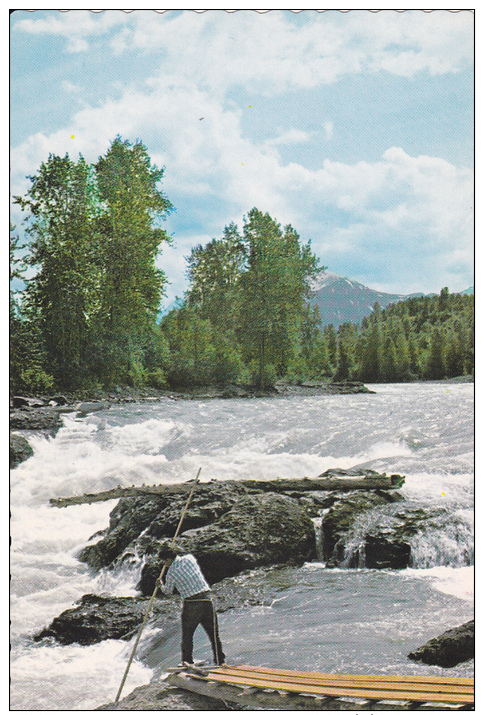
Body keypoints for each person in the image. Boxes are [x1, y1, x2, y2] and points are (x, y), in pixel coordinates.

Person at [158, 543, 225, 666]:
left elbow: (168, 591)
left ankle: (187, 661)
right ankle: (220, 660)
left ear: (168, 559)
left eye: (164, 561)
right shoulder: (190, 558)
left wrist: (160, 584)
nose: (163, 564)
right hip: (207, 600)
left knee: (187, 636)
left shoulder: (171, 573)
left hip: (192, 604)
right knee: (213, 634)